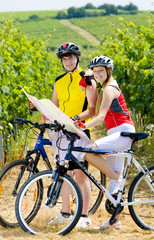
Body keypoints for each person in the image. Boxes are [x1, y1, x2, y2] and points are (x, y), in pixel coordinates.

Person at [74, 56, 135, 229]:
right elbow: (89, 73)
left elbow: (100, 117)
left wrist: (82, 126)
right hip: (116, 133)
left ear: (109, 71)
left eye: (102, 70)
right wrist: (87, 76)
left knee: (87, 150)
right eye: (96, 70)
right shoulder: (104, 85)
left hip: (123, 133)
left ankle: (116, 179)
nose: (98, 73)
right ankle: (115, 221)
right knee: (115, 184)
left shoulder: (109, 89)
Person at [47, 43, 98, 227]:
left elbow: (92, 110)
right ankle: (66, 213)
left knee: (80, 174)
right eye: (64, 58)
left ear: (78, 58)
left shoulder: (87, 79)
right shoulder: (58, 81)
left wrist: (75, 118)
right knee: (64, 173)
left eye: (70, 57)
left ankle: (84, 216)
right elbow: (54, 107)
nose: (67, 61)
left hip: (79, 131)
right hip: (63, 133)